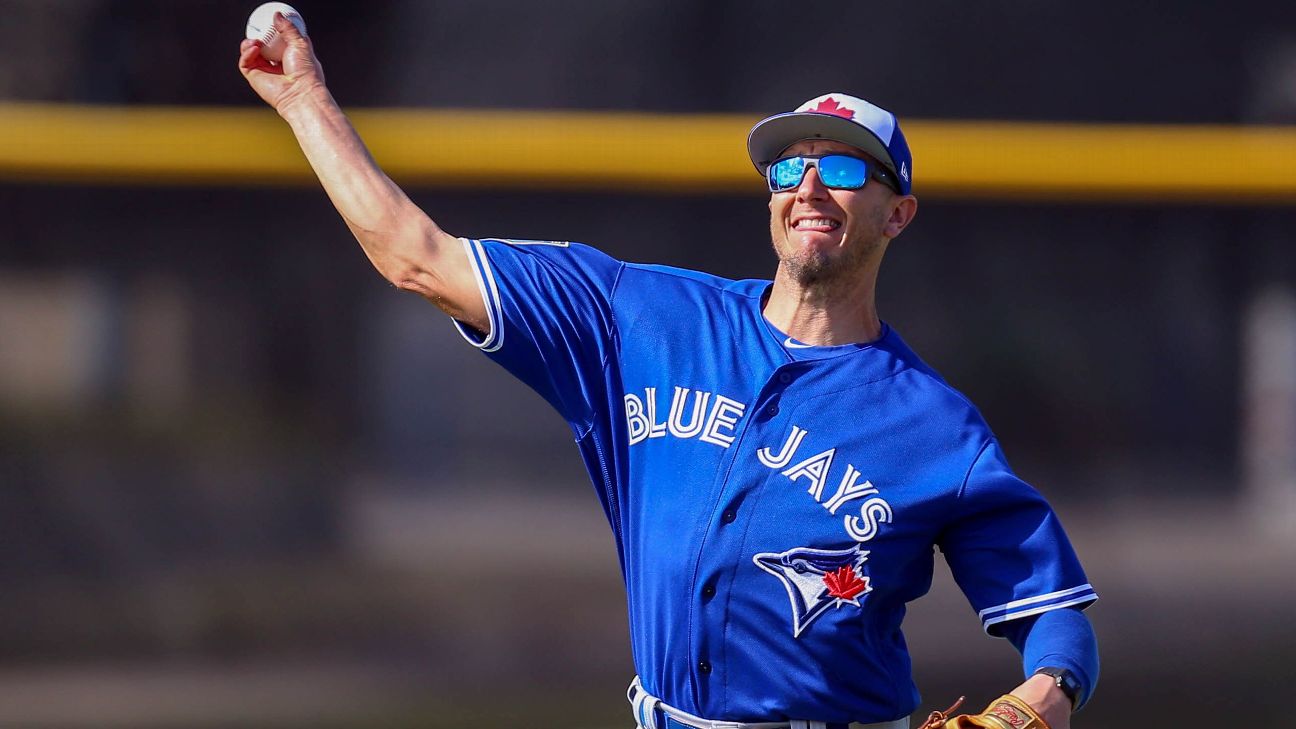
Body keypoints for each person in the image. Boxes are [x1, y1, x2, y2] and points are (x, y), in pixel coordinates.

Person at [239, 14, 1099, 729]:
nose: (809, 187)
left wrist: (1042, 697)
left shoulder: (933, 427)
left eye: (842, 168)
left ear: (897, 212)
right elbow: (414, 256)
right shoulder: (639, 318)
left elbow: (1055, 613)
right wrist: (304, 98)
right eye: (789, 167)